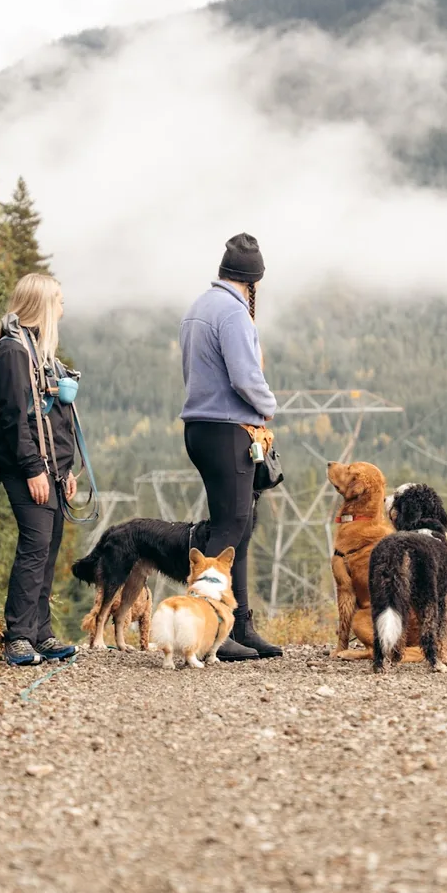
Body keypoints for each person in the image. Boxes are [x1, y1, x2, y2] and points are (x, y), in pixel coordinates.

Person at [179, 233, 281, 661]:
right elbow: (244, 375)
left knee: (236, 529)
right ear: (254, 280)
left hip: (201, 428)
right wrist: (269, 404)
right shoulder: (235, 313)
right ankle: (209, 630)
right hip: (228, 430)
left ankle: (239, 627)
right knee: (230, 528)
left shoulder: (198, 307)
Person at [0, 272, 81, 667]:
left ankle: (40, 633)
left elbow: (54, 419)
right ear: (42, 304)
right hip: (28, 469)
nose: (63, 306)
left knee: (48, 546)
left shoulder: (40, 353)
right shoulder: (12, 353)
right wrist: (33, 470)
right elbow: (12, 421)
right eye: (58, 299)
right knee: (34, 547)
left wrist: (66, 469)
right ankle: (18, 637)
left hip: (52, 470)